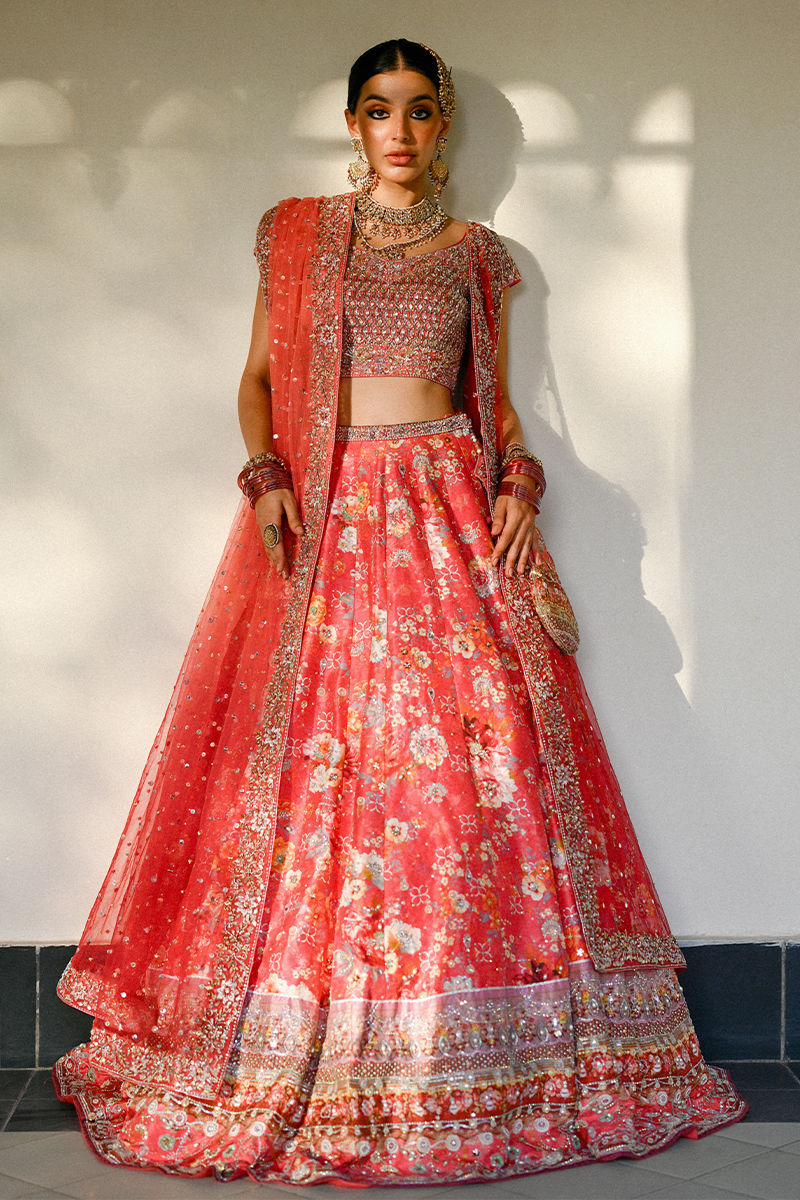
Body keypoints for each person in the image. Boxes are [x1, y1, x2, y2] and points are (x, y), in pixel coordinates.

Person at [54, 38, 746, 1186]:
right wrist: (265, 475)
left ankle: (483, 1043)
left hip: (443, 505)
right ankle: (307, 1031)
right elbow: (261, 383)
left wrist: (519, 488)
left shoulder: (479, 256)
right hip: (329, 511)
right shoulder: (295, 234)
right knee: (321, 767)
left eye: (421, 111)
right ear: (350, 122)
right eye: (379, 110)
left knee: (474, 766)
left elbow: (500, 413)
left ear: (444, 123)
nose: (401, 131)